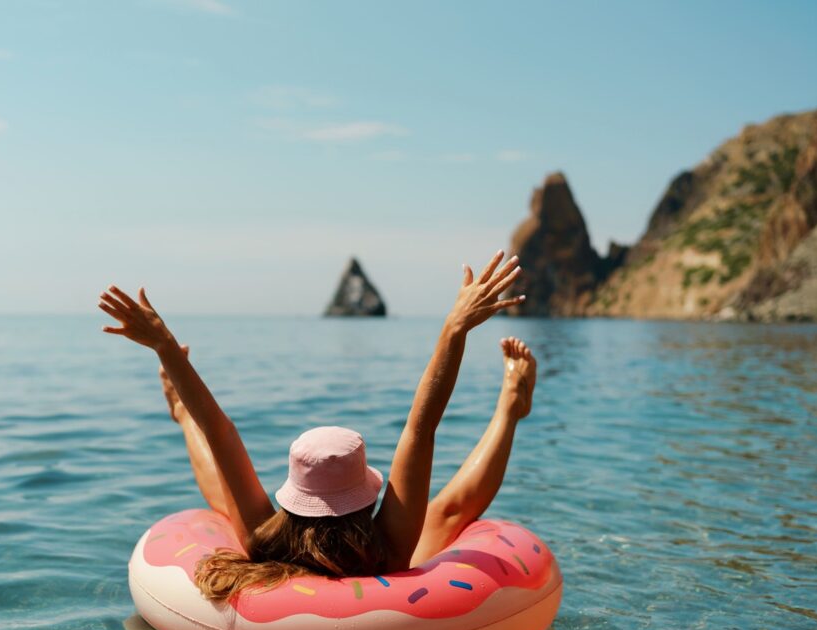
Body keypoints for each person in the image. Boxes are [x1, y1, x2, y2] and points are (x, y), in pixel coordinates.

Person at [98, 249, 535, 601]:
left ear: (295, 496)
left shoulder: (263, 543)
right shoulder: (390, 548)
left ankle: (179, 414)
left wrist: (164, 346)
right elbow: (421, 427)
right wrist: (454, 328)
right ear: (367, 493)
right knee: (445, 512)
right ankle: (509, 410)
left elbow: (220, 432)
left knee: (225, 495)